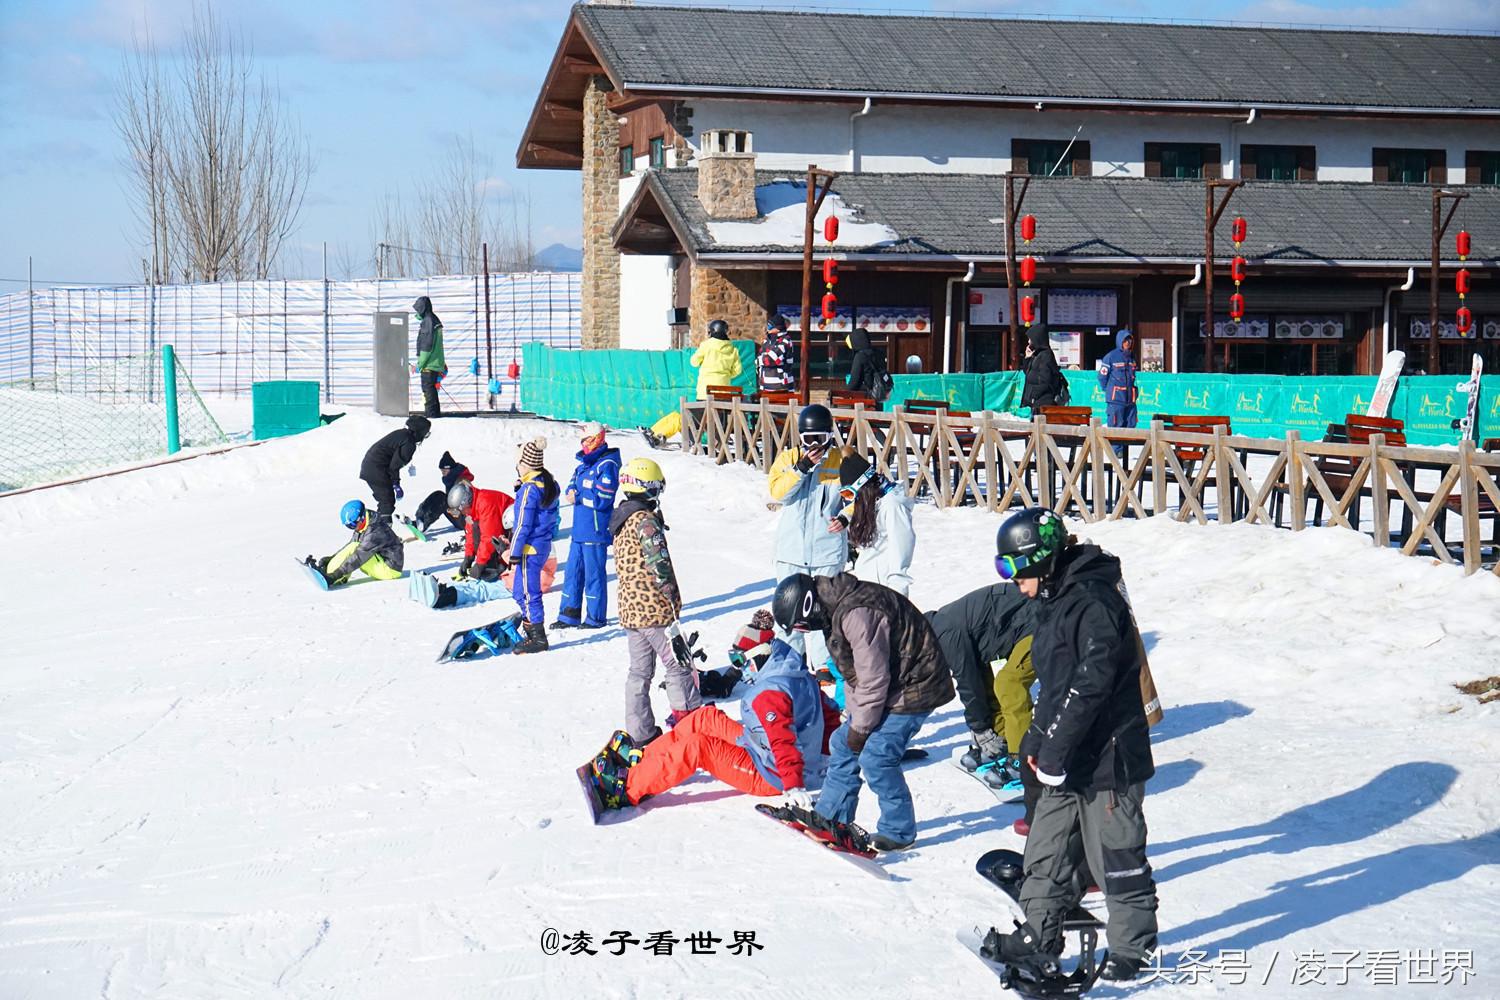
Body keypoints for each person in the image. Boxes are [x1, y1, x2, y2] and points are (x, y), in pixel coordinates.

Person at [992, 507, 1159, 983]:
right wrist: (1038, 740)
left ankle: (1133, 950)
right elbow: (1055, 681)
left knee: (1116, 858)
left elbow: (1091, 684)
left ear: (1040, 559)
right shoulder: (1056, 597)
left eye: (1013, 569)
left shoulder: (1093, 600)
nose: (1013, 582)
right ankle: (1039, 933)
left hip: (1108, 757)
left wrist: (1055, 750)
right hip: (1063, 757)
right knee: (1044, 852)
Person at [773, 572, 953, 852]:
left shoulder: (857, 614)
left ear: (809, 606)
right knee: (842, 744)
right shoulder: (835, 609)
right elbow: (857, 675)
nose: (805, 631)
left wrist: (861, 728)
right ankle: (830, 817)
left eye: (801, 625)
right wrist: (856, 722)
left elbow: (872, 679)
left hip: (916, 686)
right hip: (893, 684)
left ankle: (899, 831)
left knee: (876, 756)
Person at [589, 640, 842, 812]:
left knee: (698, 747)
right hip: (760, 747)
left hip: (771, 773)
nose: (739, 669)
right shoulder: (792, 670)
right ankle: (642, 762)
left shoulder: (770, 693)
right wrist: (832, 755)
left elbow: (782, 741)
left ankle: (628, 788)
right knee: (704, 717)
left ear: (758, 658)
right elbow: (828, 713)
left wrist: (793, 784)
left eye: (741, 661)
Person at [926, 581, 1041, 829]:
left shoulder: (944, 635)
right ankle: (1002, 742)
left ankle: (1022, 759)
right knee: (992, 680)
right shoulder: (935, 629)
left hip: (1041, 621)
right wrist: (986, 731)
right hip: (1017, 626)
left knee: (1009, 684)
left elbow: (967, 682)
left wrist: (979, 727)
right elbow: (976, 680)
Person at [608, 457, 703, 742]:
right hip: (654, 609)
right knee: (679, 664)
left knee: (639, 672)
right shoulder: (645, 520)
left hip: (630, 610)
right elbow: (659, 564)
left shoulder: (622, 518)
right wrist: (673, 598)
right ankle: (689, 726)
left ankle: (640, 732)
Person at [767, 404, 847, 673]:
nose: (814, 447)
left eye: (820, 440)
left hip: (827, 551)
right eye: (808, 440)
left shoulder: (842, 460)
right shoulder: (789, 459)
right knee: (789, 610)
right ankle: (789, 666)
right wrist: (801, 468)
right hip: (792, 551)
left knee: (826, 611)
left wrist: (847, 516)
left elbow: (862, 496)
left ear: (830, 437)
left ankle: (826, 668)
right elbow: (779, 493)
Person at [408, 479, 518, 609]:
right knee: (476, 531)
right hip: (509, 552)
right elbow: (470, 532)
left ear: (466, 502)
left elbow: (488, 538)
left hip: (513, 538)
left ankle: (449, 595)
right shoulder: (474, 506)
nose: (462, 513)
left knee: (483, 588)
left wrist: (480, 564)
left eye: (461, 510)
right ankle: (450, 591)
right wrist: (468, 557)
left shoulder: (486, 503)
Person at [555, 422, 620, 630]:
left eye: (588, 439)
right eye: (582, 440)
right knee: (572, 573)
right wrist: (575, 492)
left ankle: (595, 617)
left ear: (598, 438)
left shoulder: (607, 464)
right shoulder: (583, 464)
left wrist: (580, 495)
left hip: (595, 531)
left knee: (594, 575)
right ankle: (568, 615)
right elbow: (571, 485)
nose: (584, 444)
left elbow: (602, 498)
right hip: (579, 531)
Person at [642, 319, 743, 447]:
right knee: (685, 417)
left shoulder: (707, 345)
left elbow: (694, 362)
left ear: (711, 332)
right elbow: (737, 370)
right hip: (724, 402)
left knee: (681, 416)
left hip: (705, 398)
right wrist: (726, 374)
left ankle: (655, 432)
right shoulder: (733, 349)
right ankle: (655, 432)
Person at [831, 450, 915, 596]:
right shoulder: (872, 502)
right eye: (846, 495)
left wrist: (898, 597)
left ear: (864, 487)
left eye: (851, 494)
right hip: (866, 585)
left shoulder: (892, 506)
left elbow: (901, 550)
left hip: (885, 590)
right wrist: (845, 518)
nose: (851, 500)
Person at [509, 437, 562, 654]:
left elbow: (523, 524)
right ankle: (530, 624)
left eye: (518, 465)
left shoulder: (530, 490)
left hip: (529, 548)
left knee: (529, 592)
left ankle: (537, 637)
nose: (517, 469)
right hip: (542, 545)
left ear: (526, 464)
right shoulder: (547, 483)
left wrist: (513, 552)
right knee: (520, 590)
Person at [303, 500, 405, 586]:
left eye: (352, 525)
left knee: (356, 550)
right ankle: (329, 572)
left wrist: (336, 575)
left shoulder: (376, 531)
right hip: (381, 562)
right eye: (349, 526)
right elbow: (351, 545)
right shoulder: (364, 524)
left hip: (390, 569)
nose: (353, 528)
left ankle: (330, 576)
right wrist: (331, 558)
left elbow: (359, 556)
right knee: (354, 546)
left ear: (361, 518)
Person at [359, 415, 431, 521]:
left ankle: (377, 525)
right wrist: (396, 483)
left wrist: (394, 482)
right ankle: (382, 531)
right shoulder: (409, 443)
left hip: (370, 465)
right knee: (387, 501)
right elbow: (394, 466)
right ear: (420, 432)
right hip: (377, 468)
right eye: (426, 433)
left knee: (385, 499)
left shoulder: (402, 433)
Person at [413, 451, 473, 533]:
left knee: (443, 500)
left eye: (444, 471)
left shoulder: (462, 481)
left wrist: (451, 510)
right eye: (442, 471)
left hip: (466, 520)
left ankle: (424, 524)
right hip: (456, 513)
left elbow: (467, 506)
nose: (443, 474)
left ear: (450, 469)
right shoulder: (451, 478)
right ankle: (419, 520)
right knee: (438, 494)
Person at [1097, 329, 1138, 430]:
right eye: (1125, 340)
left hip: (1130, 401)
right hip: (1116, 401)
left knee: (1130, 429)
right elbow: (1102, 376)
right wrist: (1110, 391)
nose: (1128, 343)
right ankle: (1114, 447)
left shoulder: (1132, 357)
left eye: (1130, 340)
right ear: (1120, 341)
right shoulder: (1111, 357)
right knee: (1116, 429)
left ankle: (1125, 446)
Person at [1021, 324, 1067, 412]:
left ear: (1037, 339)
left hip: (1043, 402)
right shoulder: (1037, 354)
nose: (1028, 342)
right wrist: (1027, 358)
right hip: (1036, 402)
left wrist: (1033, 395)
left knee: (1040, 424)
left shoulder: (1046, 355)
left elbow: (1046, 380)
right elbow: (1028, 373)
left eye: (1030, 339)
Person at [414, 296, 446, 419]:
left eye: (418, 310)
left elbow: (426, 346)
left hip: (429, 364)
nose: (417, 313)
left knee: (428, 392)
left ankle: (431, 417)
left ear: (422, 309)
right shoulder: (434, 319)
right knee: (431, 390)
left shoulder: (428, 321)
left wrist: (420, 364)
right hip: (435, 363)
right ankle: (435, 415)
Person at [758, 314, 796, 394]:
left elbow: (772, 359)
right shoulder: (767, 340)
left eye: (770, 326)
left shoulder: (785, 340)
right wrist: (761, 359)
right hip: (765, 385)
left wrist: (761, 359)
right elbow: (759, 356)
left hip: (781, 385)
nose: (767, 328)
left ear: (778, 328)